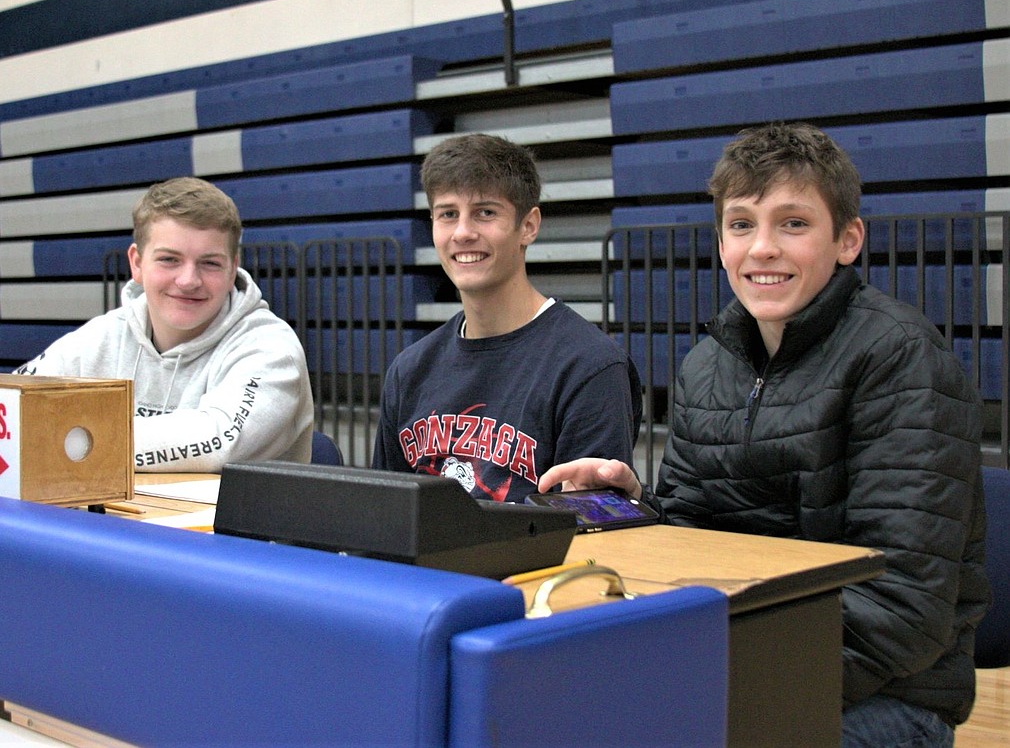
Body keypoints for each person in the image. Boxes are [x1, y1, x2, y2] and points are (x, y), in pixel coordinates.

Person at [539, 122, 988, 745]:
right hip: (748, 663)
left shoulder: (902, 359)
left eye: (793, 224)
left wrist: (714, 687)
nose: (763, 248)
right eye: (742, 224)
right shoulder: (706, 367)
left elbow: (903, 606)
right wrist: (637, 507)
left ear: (848, 240)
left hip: (889, 698)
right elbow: (697, 540)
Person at [372, 133, 640, 503]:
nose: (463, 232)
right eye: (448, 214)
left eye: (485, 212)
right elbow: (387, 515)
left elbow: (596, 532)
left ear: (528, 226)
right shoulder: (408, 371)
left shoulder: (590, 366)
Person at [16, 176, 313, 471]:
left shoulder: (271, 349)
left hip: (229, 520)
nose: (188, 281)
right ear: (136, 263)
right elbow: (11, 409)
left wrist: (69, 439)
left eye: (210, 263)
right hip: (113, 519)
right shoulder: (102, 335)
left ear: (233, 266)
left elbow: (218, 442)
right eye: (169, 259)